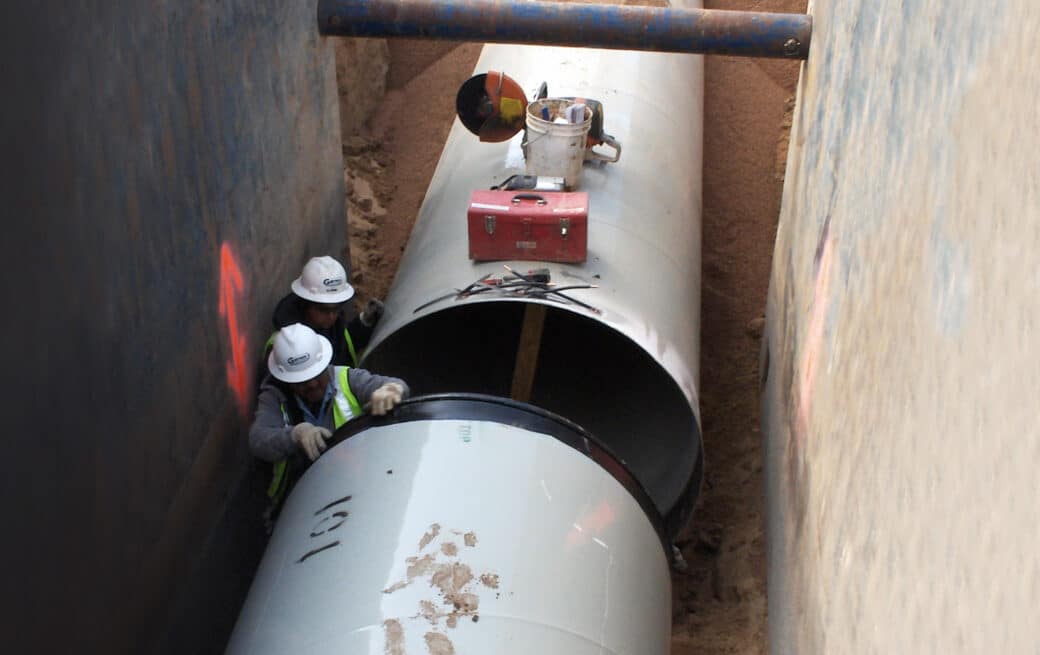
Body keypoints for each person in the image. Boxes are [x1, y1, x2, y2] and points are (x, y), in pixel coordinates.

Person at [250, 323, 409, 522]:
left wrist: (392, 389)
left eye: (316, 375)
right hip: (301, 499)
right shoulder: (274, 396)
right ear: (286, 380)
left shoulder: (346, 379)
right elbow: (258, 440)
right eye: (301, 381)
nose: (312, 384)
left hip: (358, 481)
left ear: (325, 364)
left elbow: (392, 384)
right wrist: (296, 435)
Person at [265, 256, 384, 368]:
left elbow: (344, 348)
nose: (332, 316)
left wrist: (363, 323)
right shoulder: (285, 349)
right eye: (323, 309)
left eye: (336, 308)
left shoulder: (332, 326)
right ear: (305, 303)